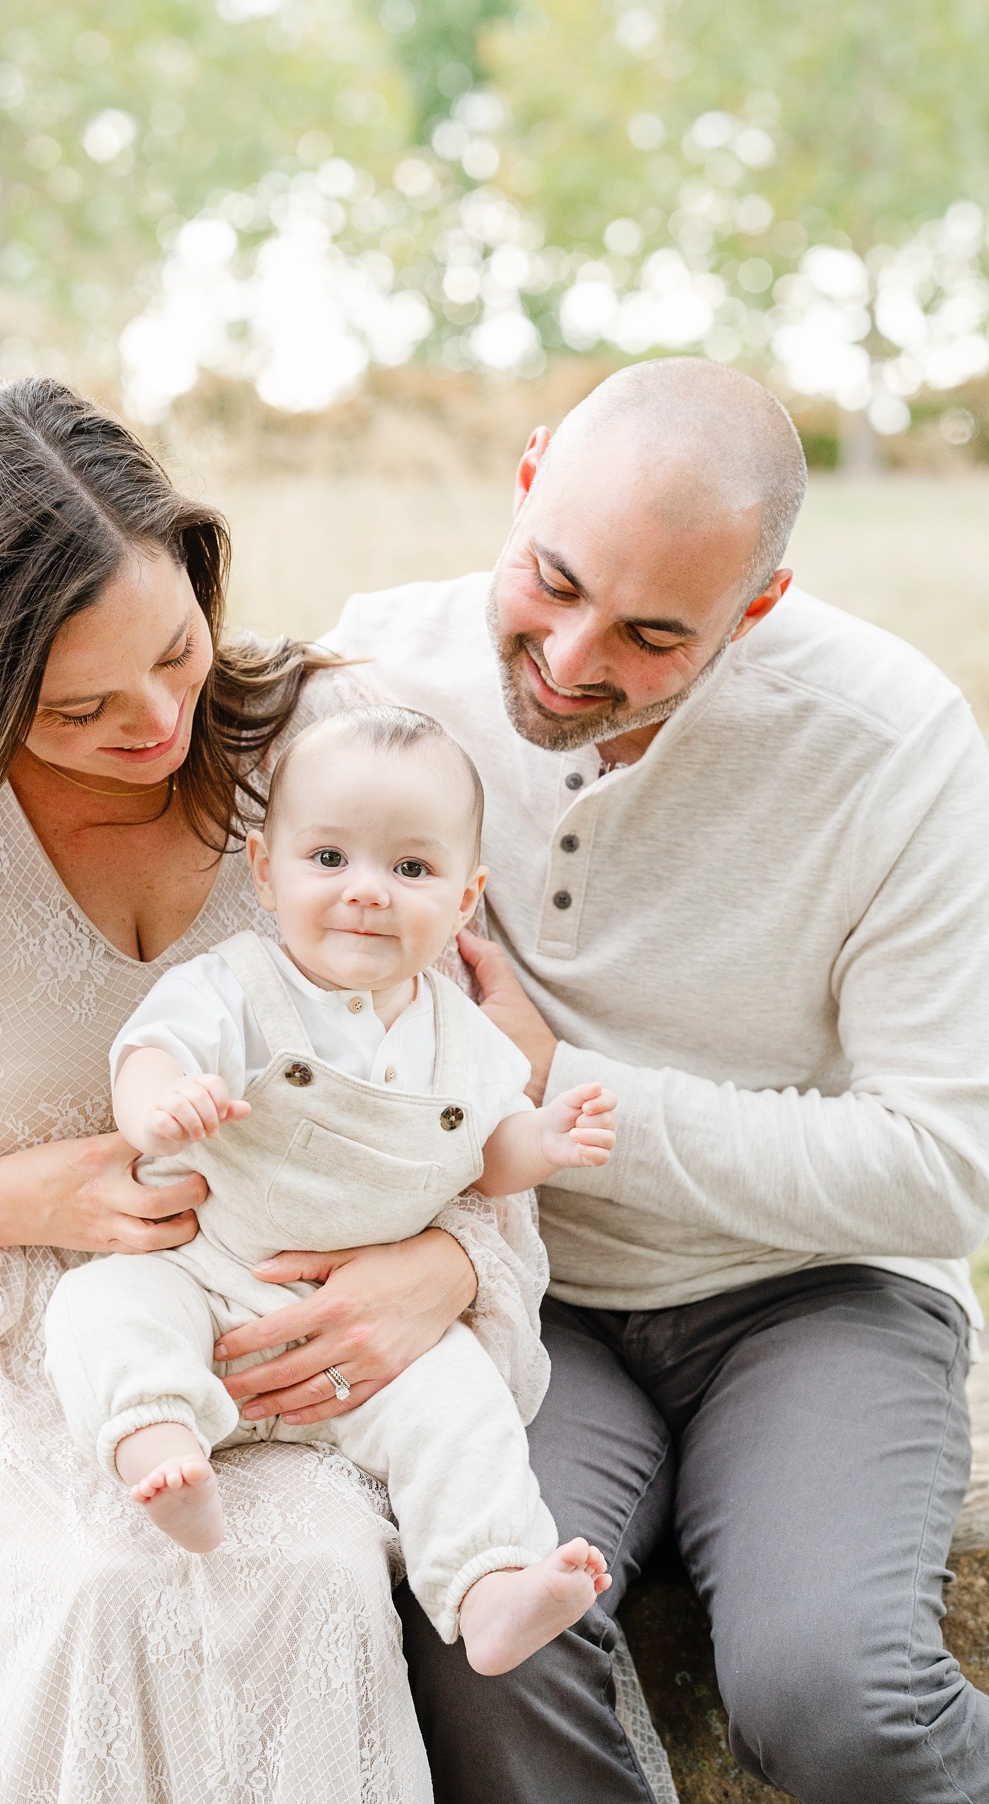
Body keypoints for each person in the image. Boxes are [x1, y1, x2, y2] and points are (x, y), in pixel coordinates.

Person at [0, 378, 557, 1802]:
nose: (152, 720)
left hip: (271, 1337)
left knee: (318, 1575)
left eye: (176, 652)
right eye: (75, 705)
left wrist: (443, 1266)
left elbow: (461, 1065)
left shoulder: (328, 744)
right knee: (89, 1587)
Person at [324, 356, 989, 1803]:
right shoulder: (374, 681)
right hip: (521, 1282)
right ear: (525, 476)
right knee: (484, 1632)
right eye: (549, 582)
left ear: (758, 606)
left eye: (650, 633)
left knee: (839, 1693)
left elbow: (944, 1165)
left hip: (820, 1293)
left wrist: (571, 1091)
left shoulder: (899, 746)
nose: (568, 660)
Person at [44, 707, 617, 1676]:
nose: (367, 894)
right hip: (207, 1273)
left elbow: (487, 1157)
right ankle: (159, 1446)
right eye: (329, 858)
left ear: (465, 897)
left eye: (411, 870)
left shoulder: (460, 1034)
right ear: (265, 871)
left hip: (358, 1330)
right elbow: (149, 1053)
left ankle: (488, 1584)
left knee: (461, 1404)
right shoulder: (235, 985)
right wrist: (160, 1110)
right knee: (100, 1304)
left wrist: (543, 1141)